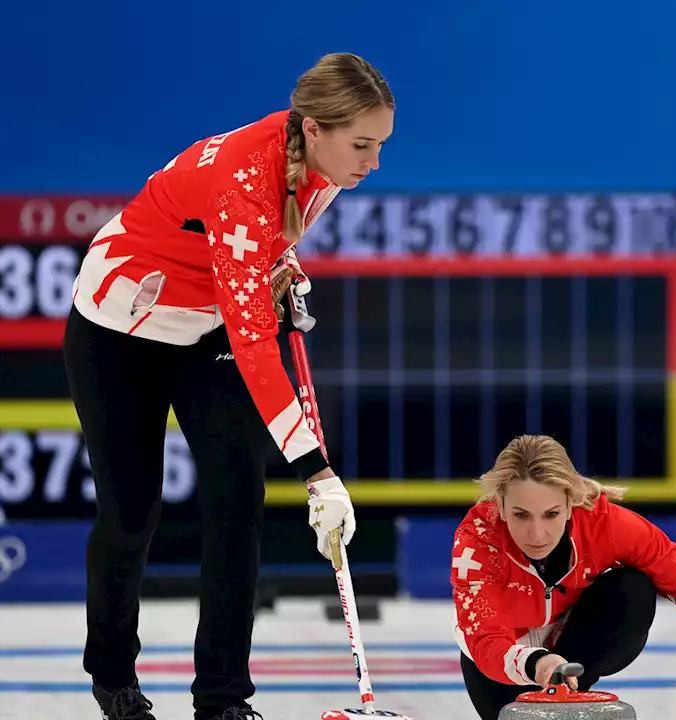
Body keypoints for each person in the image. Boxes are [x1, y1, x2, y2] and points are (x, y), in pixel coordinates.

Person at [62, 52, 395, 720]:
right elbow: (253, 344)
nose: (373, 163)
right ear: (315, 127)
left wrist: (281, 268)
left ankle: (222, 701)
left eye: (381, 145)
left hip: (206, 320)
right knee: (131, 515)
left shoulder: (321, 164)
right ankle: (112, 678)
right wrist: (317, 473)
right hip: (120, 328)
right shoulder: (244, 179)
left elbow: (256, 250)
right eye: (363, 145)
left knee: (237, 507)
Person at [451, 434, 676, 720]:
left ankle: (574, 691)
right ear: (498, 504)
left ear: (571, 502)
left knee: (633, 587)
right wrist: (539, 663)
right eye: (520, 515)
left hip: (572, 645)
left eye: (551, 514)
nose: (537, 534)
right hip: (503, 669)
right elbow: (487, 642)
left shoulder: (603, 522)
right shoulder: (477, 542)